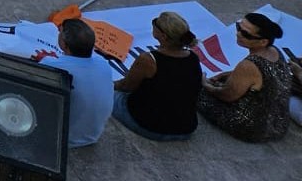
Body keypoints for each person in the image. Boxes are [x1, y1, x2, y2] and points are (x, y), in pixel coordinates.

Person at [198, 10, 291, 141]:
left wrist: (205, 85)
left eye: (245, 34)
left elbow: (227, 95)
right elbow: (262, 76)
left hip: (251, 127)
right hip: (277, 122)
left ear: (263, 42)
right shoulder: (275, 51)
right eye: (238, 28)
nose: (238, 34)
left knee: (195, 89)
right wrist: (229, 74)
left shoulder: (248, 66)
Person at [111, 10, 201, 142]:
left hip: (152, 127)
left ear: (163, 36)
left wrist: (109, 84)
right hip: (186, 128)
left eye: (155, 23)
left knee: (107, 94)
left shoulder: (149, 60)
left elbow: (126, 86)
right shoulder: (193, 57)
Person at [45, 17, 115, 147]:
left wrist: (45, 60)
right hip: (92, 136)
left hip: (63, 138)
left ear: (65, 45)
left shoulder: (52, 65)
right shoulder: (103, 64)